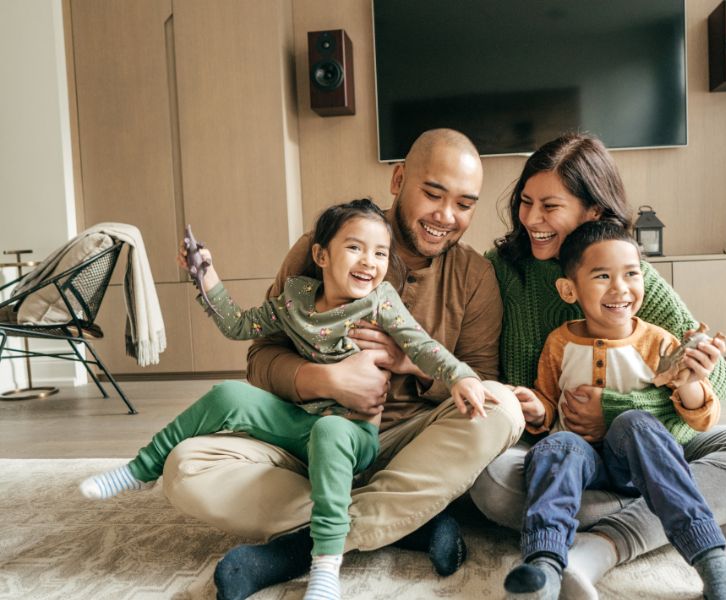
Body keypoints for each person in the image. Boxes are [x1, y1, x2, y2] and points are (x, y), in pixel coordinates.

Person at [159, 129, 525, 600]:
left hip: (408, 446)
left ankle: (299, 548)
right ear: (398, 179)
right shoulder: (325, 245)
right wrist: (324, 379)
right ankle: (407, 523)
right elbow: (260, 356)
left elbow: (479, 379)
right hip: (309, 438)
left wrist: (409, 363)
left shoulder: (475, 276)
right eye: (433, 194)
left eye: (464, 204)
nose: (446, 216)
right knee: (185, 469)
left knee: (500, 409)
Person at [79, 199, 492, 600]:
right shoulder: (295, 300)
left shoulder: (381, 301)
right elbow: (241, 326)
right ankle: (140, 469)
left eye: (380, 253)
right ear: (321, 255)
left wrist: (460, 376)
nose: (369, 261)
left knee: (332, 429)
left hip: (353, 436)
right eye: (355, 247)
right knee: (227, 393)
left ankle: (326, 565)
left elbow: (420, 346)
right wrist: (205, 277)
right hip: (298, 424)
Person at [469, 132, 726, 599]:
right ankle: (719, 512)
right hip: (562, 452)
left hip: (647, 445)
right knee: (492, 487)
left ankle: (601, 547)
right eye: (525, 202)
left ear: (594, 212)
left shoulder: (630, 276)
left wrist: (615, 407)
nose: (531, 220)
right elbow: (530, 402)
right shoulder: (503, 268)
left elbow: (717, 384)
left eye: (550, 207)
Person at [502, 221, 726, 600]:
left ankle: (712, 562)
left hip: (639, 466)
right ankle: (543, 567)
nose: (620, 288)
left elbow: (702, 418)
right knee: (558, 444)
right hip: (579, 467)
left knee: (635, 423)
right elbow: (548, 401)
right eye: (602, 276)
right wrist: (536, 409)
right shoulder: (559, 342)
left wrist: (691, 381)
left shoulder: (658, 342)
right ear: (569, 289)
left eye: (631, 274)